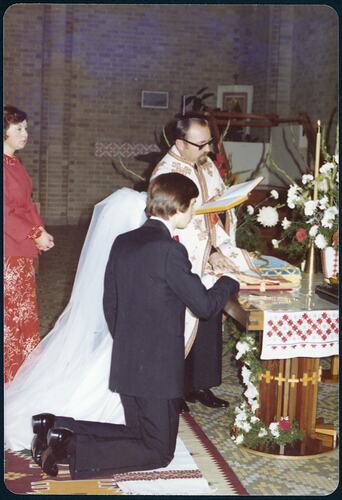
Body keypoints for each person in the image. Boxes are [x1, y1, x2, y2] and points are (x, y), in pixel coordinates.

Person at [31, 173, 239, 479]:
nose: (194, 213)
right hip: (157, 372)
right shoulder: (170, 250)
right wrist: (230, 282)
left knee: (137, 433)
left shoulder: (124, 241)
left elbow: (110, 303)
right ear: (180, 207)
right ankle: (71, 449)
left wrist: (130, 344)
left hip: (128, 364)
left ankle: (59, 426)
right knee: (159, 451)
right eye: (193, 206)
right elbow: (205, 307)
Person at [150, 115, 255, 408]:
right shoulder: (167, 172)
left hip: (210, 254)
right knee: (179, 324)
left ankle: (200, 386)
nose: (207, 149)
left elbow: (217, 200)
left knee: (208, 321)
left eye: (209, 142)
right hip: (186, 258)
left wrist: (230, 203)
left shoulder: (205, 164)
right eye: (200, 144)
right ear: (180, 143)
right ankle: (176, 389)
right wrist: (210, 253)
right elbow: (175, 221)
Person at [4, 105, 54, 382]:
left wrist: (41, 230)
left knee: (22, 310)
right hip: (8, 248)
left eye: (26, 128)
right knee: (10, 313)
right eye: (18, 128)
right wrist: (35, 234)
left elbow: (26, 205)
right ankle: (9, 374)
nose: (25, 134)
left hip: (20, 247)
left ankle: (21, 372)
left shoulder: (14, 163)